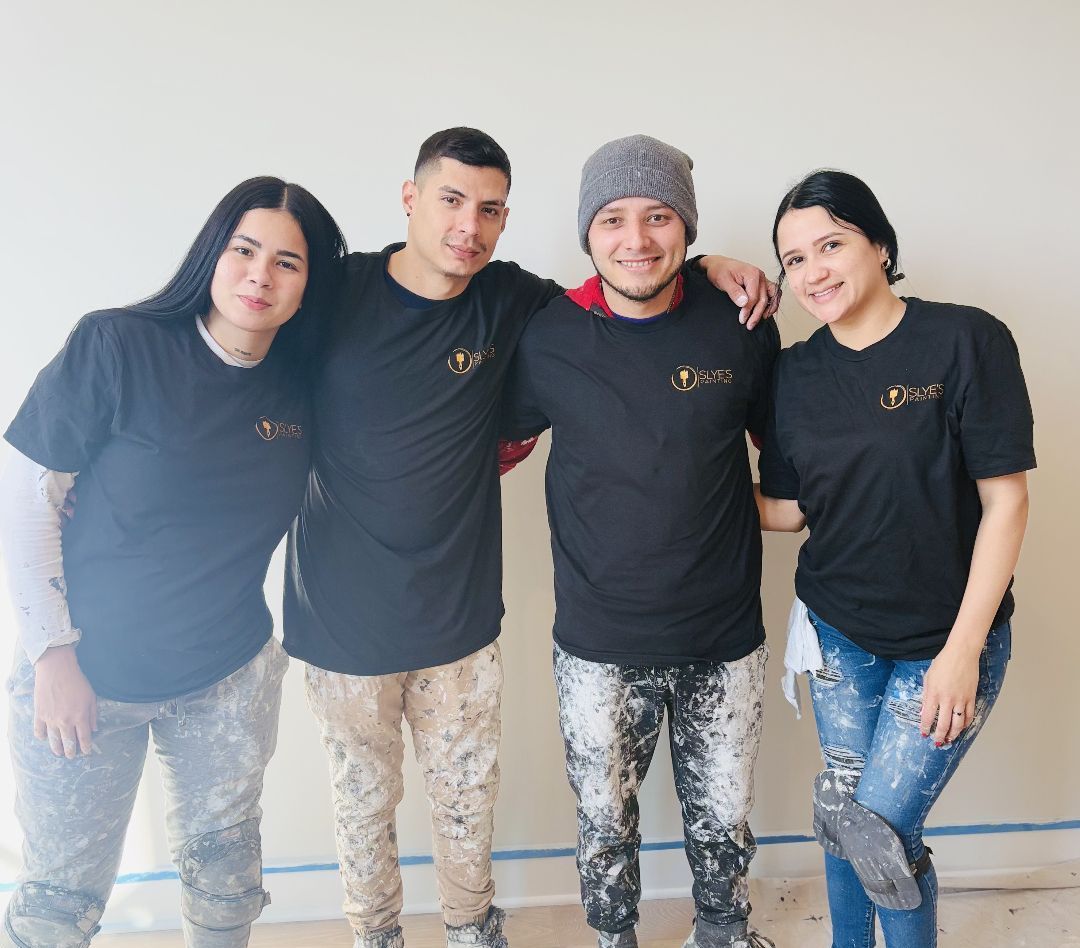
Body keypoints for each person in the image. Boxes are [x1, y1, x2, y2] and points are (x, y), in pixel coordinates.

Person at [282, 127, 779, 948]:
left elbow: (636, 295)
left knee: (492, 809)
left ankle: (515, 933)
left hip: (545, 623)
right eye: (450, 200)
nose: (467, 225)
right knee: (380, 809)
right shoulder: (356, 296)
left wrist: (711, 267)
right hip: (389, 619)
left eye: (488, 209)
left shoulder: (536, 305)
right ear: (410, 198)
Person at [0, 177, 347, 948]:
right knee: (58, 904)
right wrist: (53, 657)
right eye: (244, 250)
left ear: (309, 284)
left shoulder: (307, 386)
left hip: (225, 676)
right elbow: (25, 499)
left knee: (226, 890)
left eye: (287, 262)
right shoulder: (117, 345)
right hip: (86, 672)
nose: (260, 275)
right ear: (211, 253)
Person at [499, 135, 778, 948]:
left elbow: (792, 458)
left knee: (724, 822)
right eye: (613, 218)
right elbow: (493, 450)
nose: (636, 239)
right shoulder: (549, 335)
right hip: (599, 643)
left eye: (658, 216)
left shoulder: (740, 324)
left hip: (724, 638)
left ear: (687, 227)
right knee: (604, 824)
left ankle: (722, 934)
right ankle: (612, 937)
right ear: (587, 232)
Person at [756, 170, 1033, 948]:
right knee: (845, 817)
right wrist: (679, 490)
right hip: (839, 633)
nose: (813, 272)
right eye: (794, 259)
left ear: (879, 244)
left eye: (831, 245)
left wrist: (962, 652)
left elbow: (1006, 503)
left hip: (945, 641)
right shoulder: (794, 372)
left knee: (877, 829)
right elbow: (787, 509)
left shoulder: (966, 340)